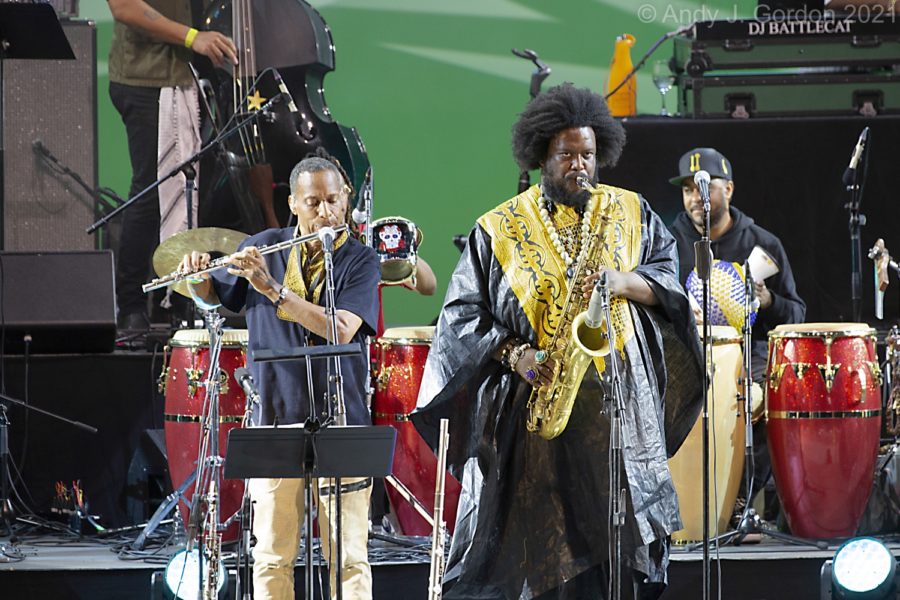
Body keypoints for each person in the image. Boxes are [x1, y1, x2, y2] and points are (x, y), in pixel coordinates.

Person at [412, 83, 703, 599]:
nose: (579, 166)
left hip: (619, 418)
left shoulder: (632, 213)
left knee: (617, 558)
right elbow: (460, 317)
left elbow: (669, 283)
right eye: (567, 154)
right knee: (544, 561)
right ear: (542, 154)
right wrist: (515, 354)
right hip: (537, 421)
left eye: (588, 155)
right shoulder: (498, 229)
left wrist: (621, 282)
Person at [179, 150, 380, 599]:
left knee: (349, 558)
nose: (326, 212)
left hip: (341, 419)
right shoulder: (264, 244)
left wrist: (269, 288)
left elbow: (340, 327)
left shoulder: (361, 260)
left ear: (347, 197)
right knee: (271, 556)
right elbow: (215, 300)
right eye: (313, 203)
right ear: (293, 203)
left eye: (333, 200)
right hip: (272, 416)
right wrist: (198, 280)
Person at [667, 147, 806, 510]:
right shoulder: (668, 242)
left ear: (728, 190)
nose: (697, 198)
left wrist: (768, 301)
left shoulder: (762, 243)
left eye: (705, 186)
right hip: (686, 353)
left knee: (768, 399)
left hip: (749, 355)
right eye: (688, 190)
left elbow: (797, 316)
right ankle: (682, 507)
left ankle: (737, 501)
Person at [107, 0, 237, 331]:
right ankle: (131, 305)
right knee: (151, 192)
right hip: (148, 81)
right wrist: (194, 37)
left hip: (192, 77)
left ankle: (179, 300)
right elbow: (124, 7)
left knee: (192, 192)